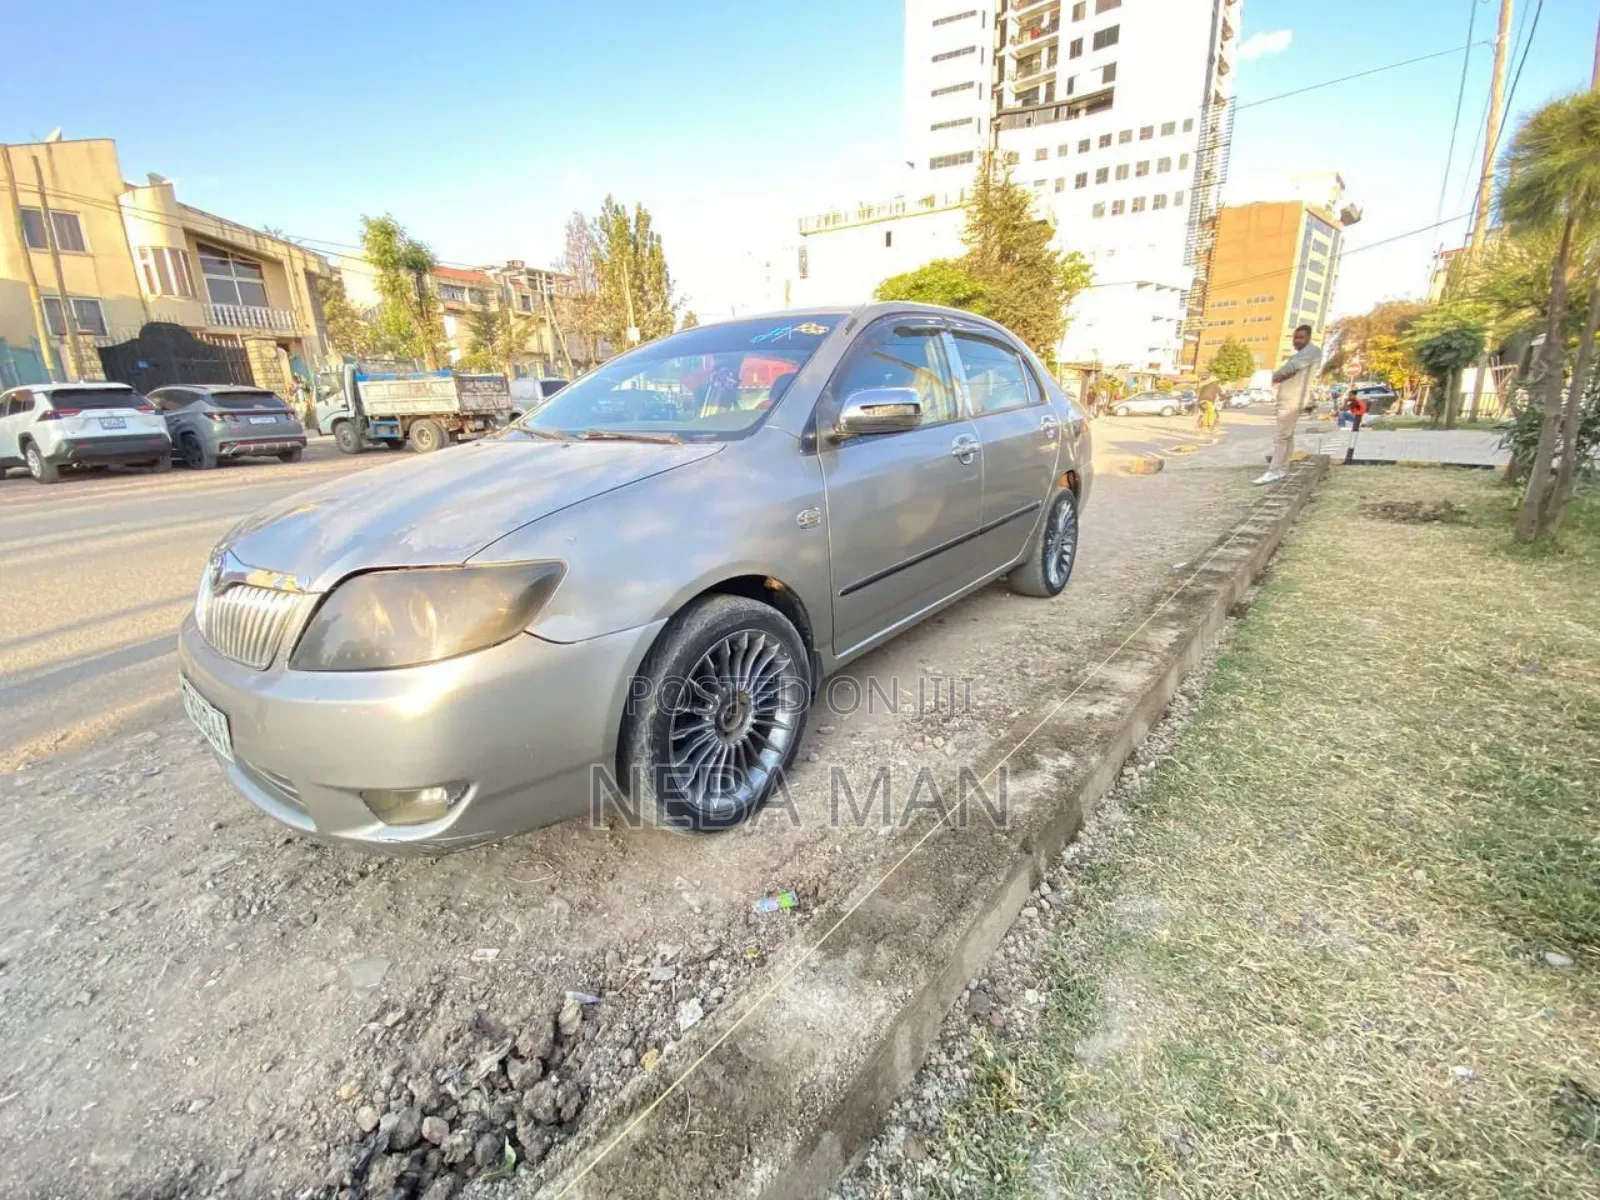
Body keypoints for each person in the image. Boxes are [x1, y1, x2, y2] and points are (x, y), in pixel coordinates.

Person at [1256, 324, 1321, 485]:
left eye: (1300, 338)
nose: (1296, 341)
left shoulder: (1310, 352)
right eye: (1295, 338)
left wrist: (1274, 377)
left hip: (1292, 399)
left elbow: (1289, 369)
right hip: (1291, 398)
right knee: (1287, 436)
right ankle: (1281, 468)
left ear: (1308, 337)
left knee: (1281, 436)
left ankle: (1275, 470)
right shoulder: (1305, 354)